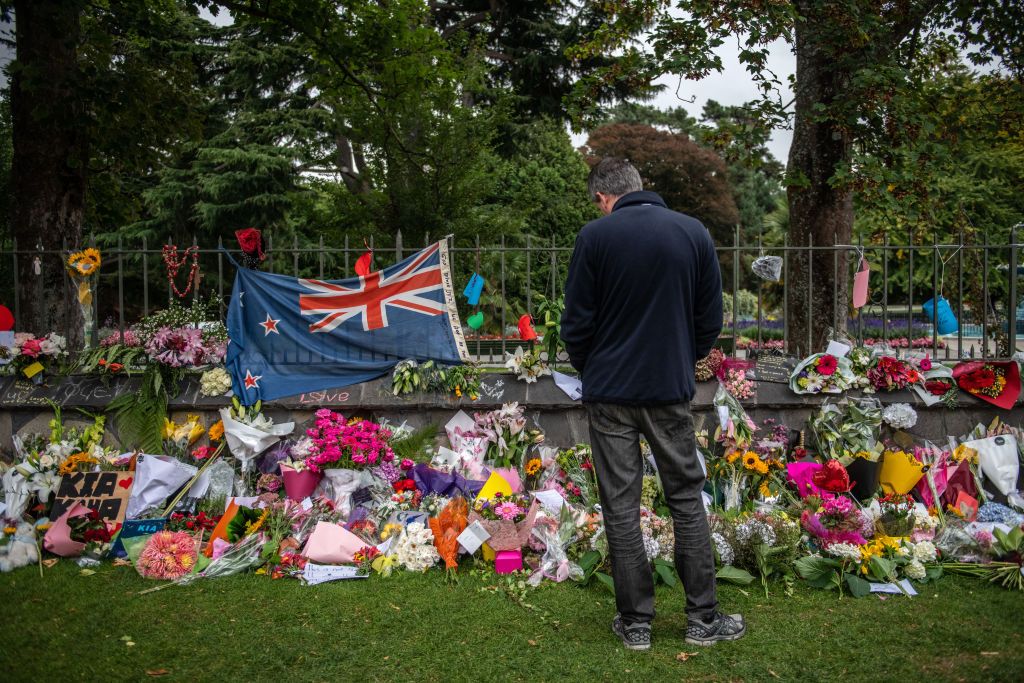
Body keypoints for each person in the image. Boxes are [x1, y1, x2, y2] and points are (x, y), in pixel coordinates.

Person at [561, 157, 744, 650]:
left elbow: (576, 322)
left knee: (621, 505)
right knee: (685, 497)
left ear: (604, 198)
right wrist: (684, 357)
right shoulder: (692, 233)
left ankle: (636, 623)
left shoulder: (595, 238)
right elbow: (710, 318)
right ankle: (702, 618)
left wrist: (592, 367)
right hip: (668, 387)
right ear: (642, 186)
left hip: (610, 391)